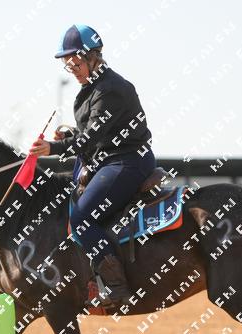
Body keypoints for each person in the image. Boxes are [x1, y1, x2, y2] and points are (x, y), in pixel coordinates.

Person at [28, 24, 156, 307]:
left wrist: (54, 148)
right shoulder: (92, 88)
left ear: (92, 57)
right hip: (110, 160)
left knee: (81, 218)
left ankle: (117, 287)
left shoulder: (110, 89)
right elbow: (96, 133)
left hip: (127, 162)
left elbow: (93, 137)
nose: (72, 69)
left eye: (75, 63)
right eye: (68, 65)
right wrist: (70, 136)